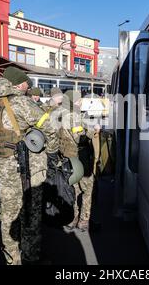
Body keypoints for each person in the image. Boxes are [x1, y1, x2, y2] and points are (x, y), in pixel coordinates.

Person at [0, 66, 58, 264]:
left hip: (3, 169)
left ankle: (11, 257)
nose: (27, 87)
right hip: (27, 169)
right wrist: (51, 151)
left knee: (8, 212)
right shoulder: (21, 102)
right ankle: (31, 257)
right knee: (30, 212)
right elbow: (49, 127)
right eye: (26, 84)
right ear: (18, 84)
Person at [58, 90, 100, 232]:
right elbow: (79, 137)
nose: (81, 102)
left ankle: (72, 218)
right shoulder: (74, 117)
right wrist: (94, 130)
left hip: (67, 158)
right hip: (80, 158)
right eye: (78, 100)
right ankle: (83, 220)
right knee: (88, 189)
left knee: (73, 190)